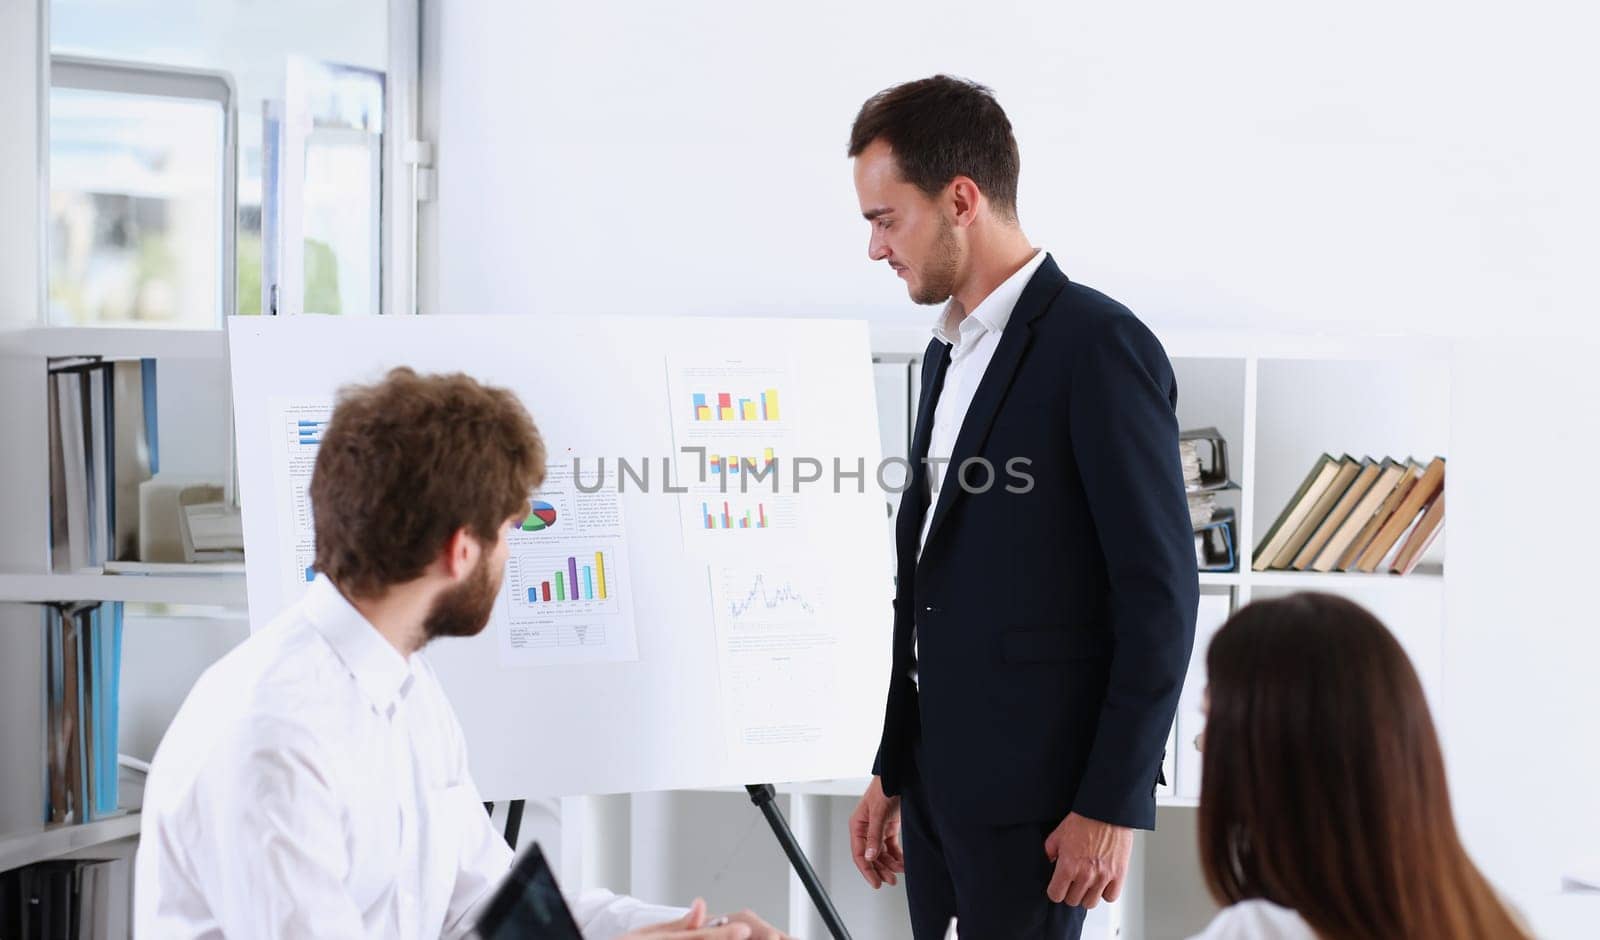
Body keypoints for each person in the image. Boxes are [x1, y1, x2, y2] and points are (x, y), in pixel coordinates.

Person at [134, 368, 781, 940]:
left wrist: (686, 932)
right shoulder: (274, 742)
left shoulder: (407, 689)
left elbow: (486, 906)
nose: (512, 553)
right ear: (460, 551)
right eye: (507, 534)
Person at [844, 75, 1199, 939]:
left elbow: (1160, 595)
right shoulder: (944, 355)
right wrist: (897, 766)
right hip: (938, 795)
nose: (875, 249)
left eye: (886, 220)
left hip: (1047, 815)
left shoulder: (1099, 346)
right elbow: (928, 583)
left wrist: (1110, 805)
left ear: (960, 199)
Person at [1189, 593, 1530, 940]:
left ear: (1270, 757)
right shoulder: (1496, 918)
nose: (1202, 745)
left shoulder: (1257, 932)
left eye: (1210, 722)